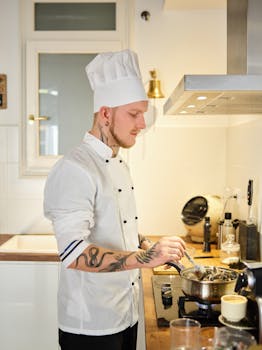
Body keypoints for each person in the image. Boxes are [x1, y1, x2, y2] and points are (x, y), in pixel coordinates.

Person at [44, 49, 186, 350]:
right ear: (105, 113)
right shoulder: (75, 169)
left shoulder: (117, 162)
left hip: (125, 312)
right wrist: (148, 259)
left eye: (142, 113)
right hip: (91, 326)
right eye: (133, 114)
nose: (142, 123)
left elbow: (118, 228)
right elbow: (73, 253)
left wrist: (148, 245)